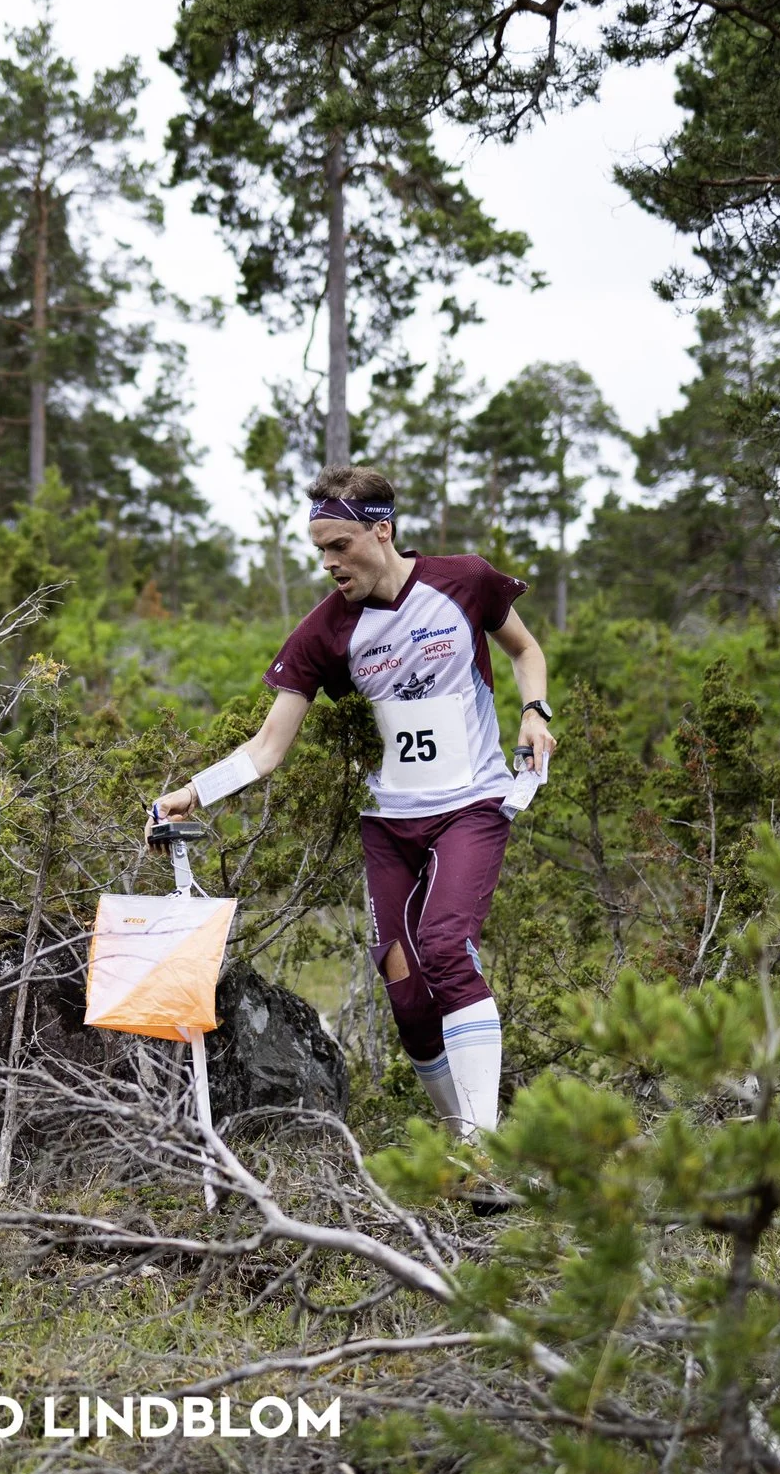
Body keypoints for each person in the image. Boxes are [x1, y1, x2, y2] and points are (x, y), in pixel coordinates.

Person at [151, 465, 555, 1136]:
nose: (329, 563)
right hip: (390, 825)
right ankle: (460, 1145)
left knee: (447, 946)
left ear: (382, 530)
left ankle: (487, 1153)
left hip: (471, 805)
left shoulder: (464, 582)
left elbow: (525, 648)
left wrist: (535, 710)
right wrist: (195, 791)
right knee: (407, 996)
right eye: (319, 550)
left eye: (339, 545)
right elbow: (266, 747)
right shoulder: (327, 630)